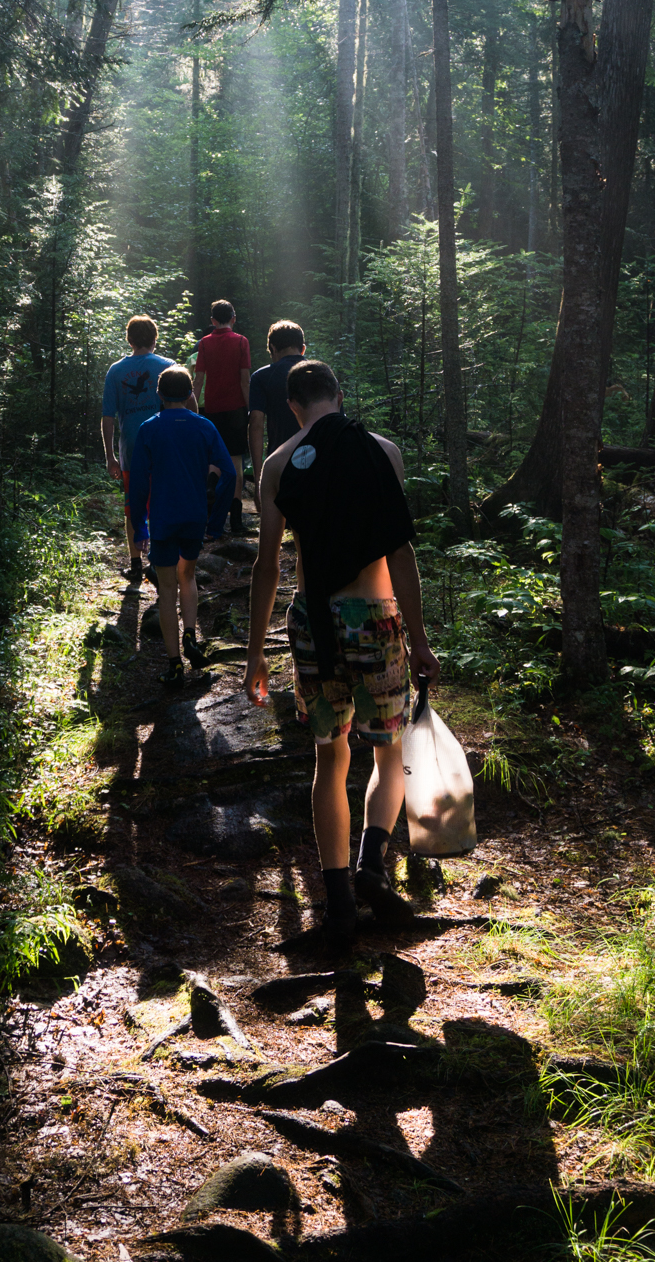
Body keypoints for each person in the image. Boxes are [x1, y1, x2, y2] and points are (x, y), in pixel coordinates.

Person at [242, 359, 441, 948]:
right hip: (376, 621)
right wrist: (421, 639)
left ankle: (340, 906)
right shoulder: (384, 452)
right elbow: (399, 552)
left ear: (292, 406)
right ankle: (372, 863)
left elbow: (266, 566)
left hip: (314, 626)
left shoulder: (277, 466)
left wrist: (255, 654)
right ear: (339, 393)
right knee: (388, 755)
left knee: (329, 761)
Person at [128, 366, 236, 687]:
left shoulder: (149, 429)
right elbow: (229, 473)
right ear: (192, 394)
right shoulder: (204, 426)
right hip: (194, 518)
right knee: (187, 575)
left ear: (159, 395)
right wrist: (215, 520)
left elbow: (137, 487)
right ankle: (191, 635)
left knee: (166, 589)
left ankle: (174, 665)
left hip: (162, 520)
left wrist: (139, 527)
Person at [101, 315, 172, 585]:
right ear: (155, 338)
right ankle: (158, 560)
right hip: (164, 448)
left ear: (129, 339)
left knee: (134, 507)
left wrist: (110, 456)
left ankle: (135, 564)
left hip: (131, 450)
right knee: (161, 503)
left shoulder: (115, 371)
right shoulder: (167, 366)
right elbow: (188, 404)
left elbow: (107, 417)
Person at [192, 299, 251, 535]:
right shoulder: (241, 342)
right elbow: (244, 379)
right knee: (235, 463)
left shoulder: (204, 344)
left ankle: (210, 507)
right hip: (236, 409)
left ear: (213, 321)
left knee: (214, 460)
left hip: (212, 410)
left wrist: (193, 411)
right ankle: (236, 522)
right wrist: (249, 409)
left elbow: (198, 381)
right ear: (233, 319)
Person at [248, 320, 307, 510]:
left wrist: (259, 478)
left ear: (272, 348)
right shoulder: (323, 373)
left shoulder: (261, 377)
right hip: (320, 462)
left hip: (279, 464)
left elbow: (256, 424)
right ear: (302, 348)